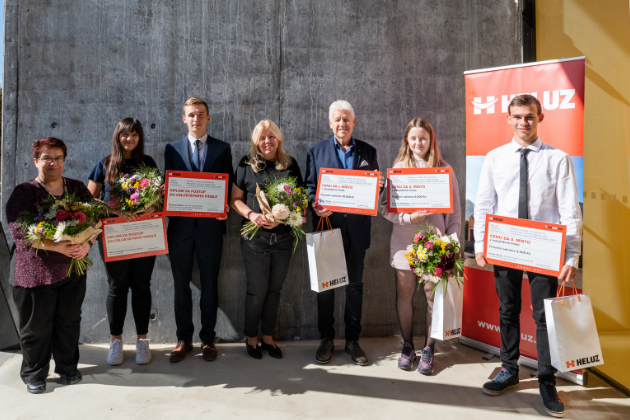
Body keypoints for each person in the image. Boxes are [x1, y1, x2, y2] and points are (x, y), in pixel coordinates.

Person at [474, 94, 582, 418]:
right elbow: (483, 205)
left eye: (530, 117)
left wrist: (572, 256)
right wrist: (480, 244)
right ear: (509, 119)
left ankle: (547, 381)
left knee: (544, 317)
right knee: (507, 311)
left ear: (540, 118)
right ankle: (509, 369)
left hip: (544, 250)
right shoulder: (494, 158)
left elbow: (569, 211)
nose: (524, 122)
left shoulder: (558, 159)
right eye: (518, 116)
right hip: (506, 245)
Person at [6, 138, 94, 394]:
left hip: (72, 271)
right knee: (36, 327)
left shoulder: (77, 188)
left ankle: (67, 368)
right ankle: (35, 374)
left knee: (69, 321)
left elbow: (94, 223)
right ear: (36, 161)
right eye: (47, 158)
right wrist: (58, 247)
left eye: (58, 158)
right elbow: (20, 233)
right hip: (35, 274)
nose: (53, 163)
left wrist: (87, 244)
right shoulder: (24, 192)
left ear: (64, 161)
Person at [305, 100, 382, 365]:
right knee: (326, 287)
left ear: (354, 122)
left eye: (346, 119)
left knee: (355, 286)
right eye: (337, 119)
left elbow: (373, 191)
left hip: (357, 230)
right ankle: (326, 339)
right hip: (327, 227)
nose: (342, 124)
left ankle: (352, 341)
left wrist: (379, 186)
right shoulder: (316, 151)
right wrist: (314, 204)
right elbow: (309, 187)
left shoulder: (369, 152)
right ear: (330, 123)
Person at [381, 118, 461, 374]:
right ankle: (407, 346)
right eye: (413, 138)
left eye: (423, 138)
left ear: (431, 140)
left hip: (435, 242)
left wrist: (451, 242)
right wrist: (408, 218)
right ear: (407, 140)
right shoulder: (398, 169)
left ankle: (428, 349)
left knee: (431, 297)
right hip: (404, 241)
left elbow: (456, 213)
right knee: (404, 295)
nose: (418, 143)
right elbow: (385, 209)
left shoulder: (444, 169)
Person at [164, 97, 234, 363]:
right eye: (191, 115)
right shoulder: (172, 148)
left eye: (201, 114)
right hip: (180, 230)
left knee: (209, 285)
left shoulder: (223, 148)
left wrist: (222, 203)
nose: (196, 119)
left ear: (208, 118)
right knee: (180, 285)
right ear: (184, 118)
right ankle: (183, 339)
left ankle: (207, 338)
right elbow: (170, 184)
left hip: (210, 230)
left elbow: (226, 186)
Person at [230, 120, 304, 359]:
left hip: (282, 239)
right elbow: (235, 199)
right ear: (256, 141)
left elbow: (300, 202)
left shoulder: (290, 165)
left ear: (278, 139)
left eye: (271, 137)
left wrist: (282, 219)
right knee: (257, 292)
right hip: (255, 240)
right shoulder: (246, 164)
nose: (267, 141)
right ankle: (252, 337)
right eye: (262, 137)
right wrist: (251, 215)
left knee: (274, 291)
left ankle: (268, 337)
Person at [87, 118, 159, 366]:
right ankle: (116, 341)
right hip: (113, 235)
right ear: (117, 136)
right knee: (117, 287)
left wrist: (146, 208)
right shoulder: (105, 164)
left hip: (144, 233)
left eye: (135, 135)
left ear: (140, 137)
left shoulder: (148, 163)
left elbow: (159, 199)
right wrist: (116, 211)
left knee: (141, 285)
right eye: (125, 135)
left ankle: (142, 340)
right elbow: (89, 200)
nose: (130, 139)